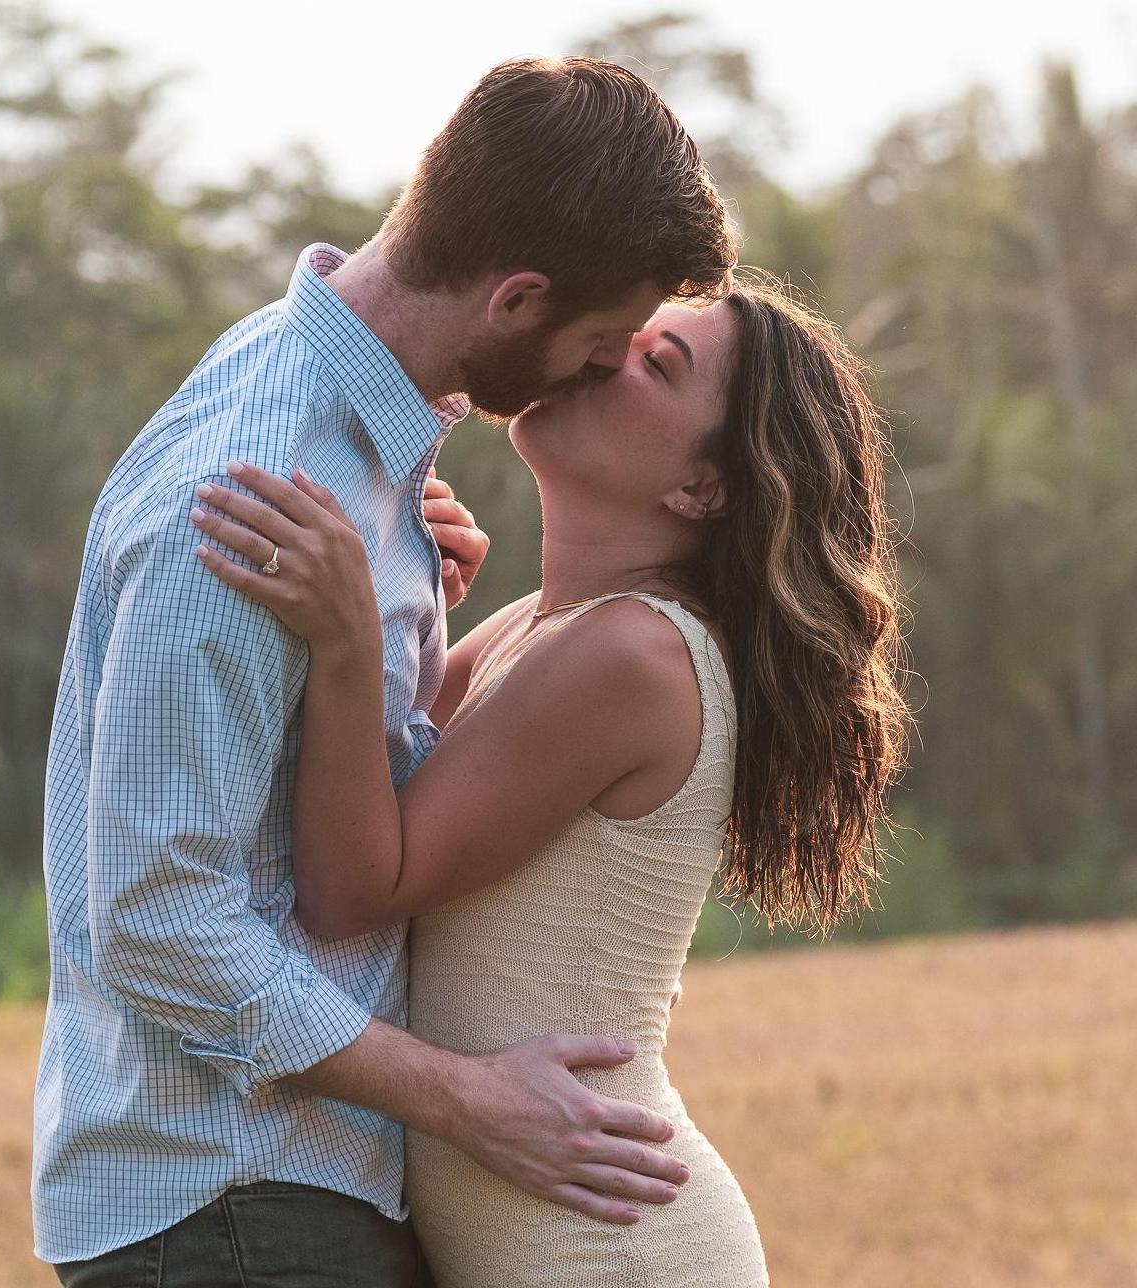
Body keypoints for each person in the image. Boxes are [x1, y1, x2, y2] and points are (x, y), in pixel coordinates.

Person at [33, 56, 737, 1286]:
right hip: (234, 1201)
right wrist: (460, 1097)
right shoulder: (258, 491)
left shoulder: (350, 453)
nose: (600, 368)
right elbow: (156, 914)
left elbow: (305, 800)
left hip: (279, 1198)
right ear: (517, 299)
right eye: (600, 342)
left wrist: (402, 626)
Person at [191, 274, 911, 1286]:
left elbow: (351, 886)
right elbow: (375, 775)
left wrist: (353, 638)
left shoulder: (632, 655)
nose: (608, 351)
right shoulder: (539, 628)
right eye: (624, 330)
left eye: (658, 362)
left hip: (611, 1253)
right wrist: (406, 601)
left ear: (701, 488)